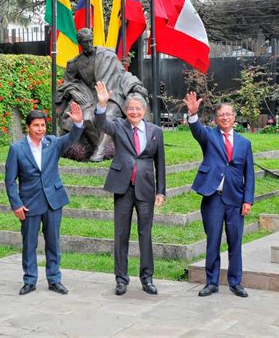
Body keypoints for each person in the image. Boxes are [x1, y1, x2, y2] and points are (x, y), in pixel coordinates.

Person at [94, 81, 166, 296]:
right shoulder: (118, 125)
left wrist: (161, 191)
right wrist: (101, 104)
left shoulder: (156, 131)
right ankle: (121, 279)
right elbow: (101, 123)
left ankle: (147, 278)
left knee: (145, 234)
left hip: (145, 188)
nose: (134, 112)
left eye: (138, 108)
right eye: (130, 108)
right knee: (121, 234)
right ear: (126, 110)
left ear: (144, 111)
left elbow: (160, 163)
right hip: (123, 187)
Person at [5, 103, 83, 296]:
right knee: (29, 243)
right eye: (36, 126)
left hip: (53, 201)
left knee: (53, 242)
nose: (40, 129)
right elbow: (9, 180)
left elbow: (73, 137)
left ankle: (54, 279)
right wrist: (16, 204)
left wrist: (78, 122)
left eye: (42, 125)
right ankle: (29, 280)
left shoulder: (53, 143)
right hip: (29, 204)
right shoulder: (17, 149)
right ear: (28, 127)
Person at [183, 91, 255, 298]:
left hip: (235, 199)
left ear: (234, 118)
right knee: (213, 241)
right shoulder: (209, 136)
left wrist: (247, 200)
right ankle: (211, 282)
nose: (225, 118)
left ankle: (235, 282)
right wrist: (193, 113)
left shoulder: (244, 143)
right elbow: (196, 130)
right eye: (221, 115)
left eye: (228, 114)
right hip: (213, 197)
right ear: (216, 119)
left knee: (235, 242)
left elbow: (249, 174)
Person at [56, 28, 148, 162]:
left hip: (110, 94)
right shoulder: (75, 63)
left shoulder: (106, 55)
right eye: (85, 42)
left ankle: (99, 151)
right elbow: (66, 83)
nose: (88, 45)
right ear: (80, 43)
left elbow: (122, 74)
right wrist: (72, 90)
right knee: (86, 119)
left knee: (109, 115)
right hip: (89, 99)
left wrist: (134, 85)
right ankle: (99, 147)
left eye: (90, 41)